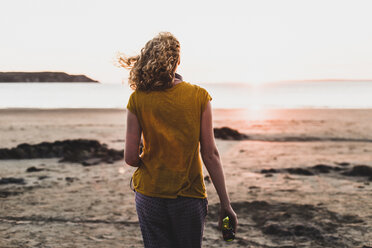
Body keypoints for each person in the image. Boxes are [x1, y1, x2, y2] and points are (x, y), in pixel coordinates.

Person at [120, 32, 238, 248]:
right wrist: (225, 203)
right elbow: (210, 154)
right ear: (177, 61)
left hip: (149, 194)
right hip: (188, 195)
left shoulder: (137, 98)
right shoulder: (199, 96)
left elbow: (130, 158)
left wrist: (148, 155)